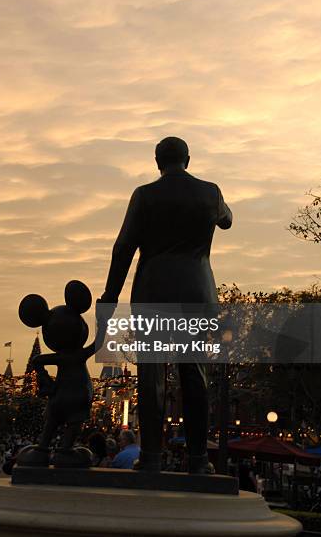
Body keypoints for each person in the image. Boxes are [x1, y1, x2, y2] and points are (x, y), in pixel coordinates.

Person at [98, 137, 232, 473]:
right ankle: (199, 461)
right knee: (195, 376)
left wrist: (109, 298)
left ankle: (152, 458)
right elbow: (227, 220)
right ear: (188, 159)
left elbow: (123, 248)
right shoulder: (211, 192)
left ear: (157, 161)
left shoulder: (144, 195)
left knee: (151, 377)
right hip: (197, 294)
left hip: (153, 293)